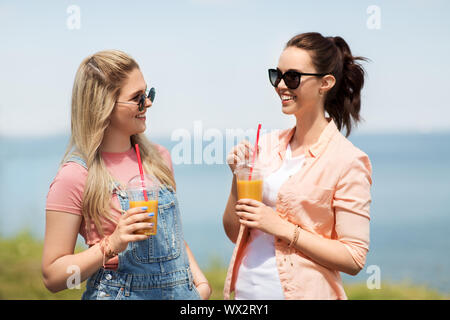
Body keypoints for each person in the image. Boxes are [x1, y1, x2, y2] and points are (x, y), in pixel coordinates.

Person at [42, 50, 211, 300]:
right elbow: (53, 277)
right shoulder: (75, 176)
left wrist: (200, 284)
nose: (149, 103)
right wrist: (112, 244)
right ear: (104, 105)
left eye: (148, 94)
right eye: (138, 98)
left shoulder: (159, 158)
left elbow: (172, 238)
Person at [223, 32, 372, 300]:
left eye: (292, 77)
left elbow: (354, 258)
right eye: (276, 75)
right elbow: (236, 233)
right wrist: (237, 177)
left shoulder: (348, 160)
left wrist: (282, 228)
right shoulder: (265, 147)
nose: (281, 85)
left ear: (325, 83)